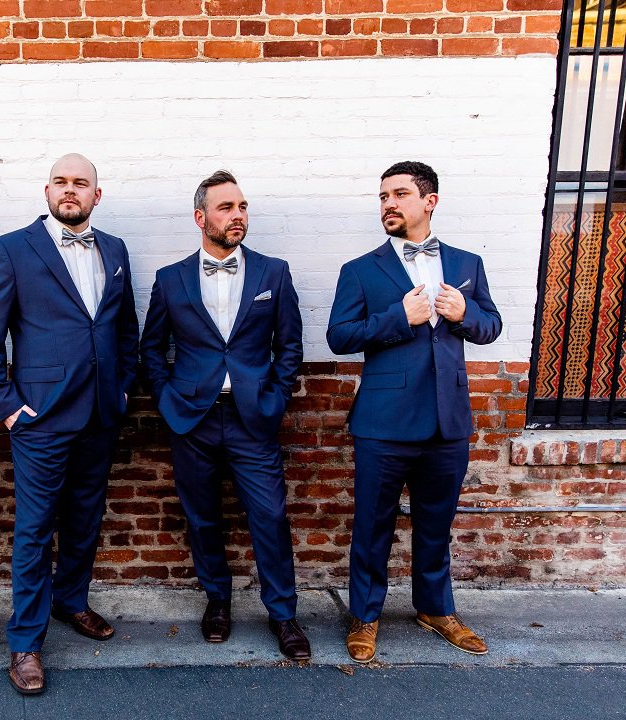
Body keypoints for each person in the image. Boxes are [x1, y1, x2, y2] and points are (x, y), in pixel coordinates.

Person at [0, 154, 139, 694]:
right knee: (35, 530)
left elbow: (124, 327)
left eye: (80, 184)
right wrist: (8, 405)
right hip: (39, 417)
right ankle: (24, 642)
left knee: (86, 519)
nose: (71, 191)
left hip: (100, 412)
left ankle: (71, 601)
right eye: (61, 183)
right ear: (46, 191)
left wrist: (124, 386)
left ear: (97, 194)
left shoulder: (114, 249)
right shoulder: (12, 249)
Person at [326, 161, 502, 663]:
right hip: (383, 422)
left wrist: (465, 314)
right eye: (383, 196)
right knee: (372, 524)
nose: (388, 203)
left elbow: (490, 325)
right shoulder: (360, 270)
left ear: (430, 201)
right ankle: (365, 615)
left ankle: (435, 609)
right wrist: (396, 319)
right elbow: (340, 336)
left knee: (436, 523)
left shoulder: (467, 264)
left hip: (448, 419)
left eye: (400, 194)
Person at [140, 170, 310, 661]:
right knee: (202, 517)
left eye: (242, 207)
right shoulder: (170, 280)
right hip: (191, 419)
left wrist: (275, 395)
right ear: (201, 217)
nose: (237, 216)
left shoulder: (272, 273)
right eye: (226, 208)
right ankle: (217, 599)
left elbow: (290, 345)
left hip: (252, 417)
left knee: (271, 516)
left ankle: (284, 613)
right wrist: (168, 398)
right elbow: (152, 349)